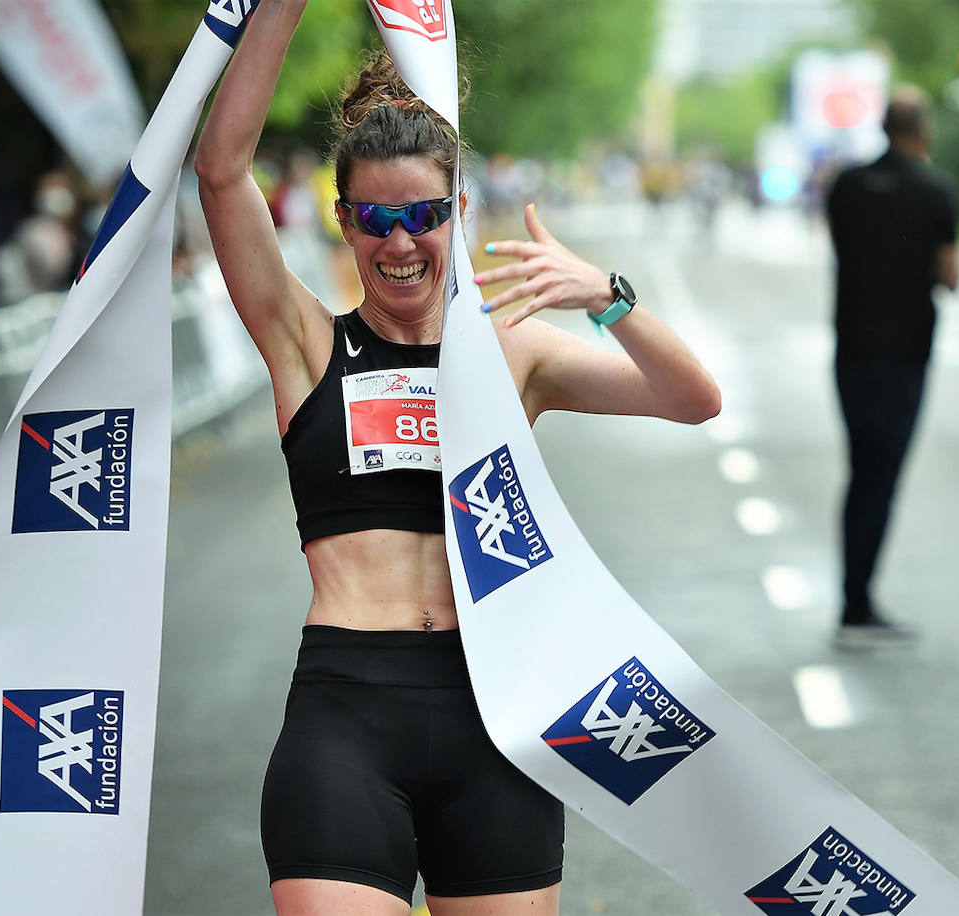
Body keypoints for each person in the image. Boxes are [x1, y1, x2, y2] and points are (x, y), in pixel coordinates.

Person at [193, 3, 720, 913]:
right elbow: (219, 169)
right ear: (344, 220)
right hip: (346, 717)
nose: (399, 242)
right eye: (375, 217)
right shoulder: (306, 344)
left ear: (458, 211)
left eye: (423, 215)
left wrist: (609, 296)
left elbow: (693, 400)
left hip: (497, 720)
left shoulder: (514, 354)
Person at [824, 85, 959, 649]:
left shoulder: (847, 186)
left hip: (852, 346)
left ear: (882, 128)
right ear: (923, 132)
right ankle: (858, 605)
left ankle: (854, 600)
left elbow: (839, 247)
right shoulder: (937, 191)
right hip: (906, 354)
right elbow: (951, 277)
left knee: (860, 471)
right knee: (883, 476)